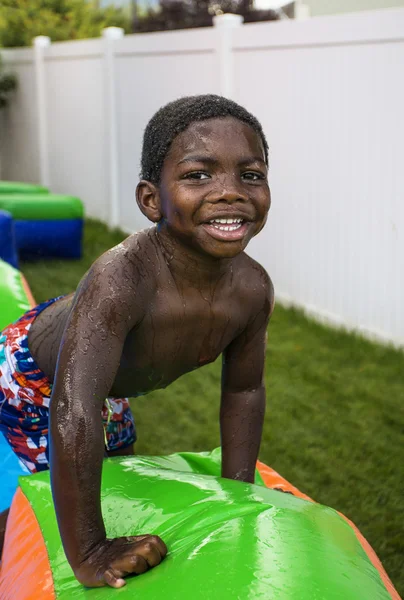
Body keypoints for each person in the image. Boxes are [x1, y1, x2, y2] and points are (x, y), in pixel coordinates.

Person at [0, 94, 274, 588]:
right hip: (32, 377)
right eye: (199, 175)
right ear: (151, 199)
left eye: (250, 174)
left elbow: (244, 391)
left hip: (103, 385)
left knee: (116, 462)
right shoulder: (123, 276)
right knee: (33, 496)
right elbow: (74, 404)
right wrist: (89, 550)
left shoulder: (252, 289)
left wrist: (239, 496)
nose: (231, 192)